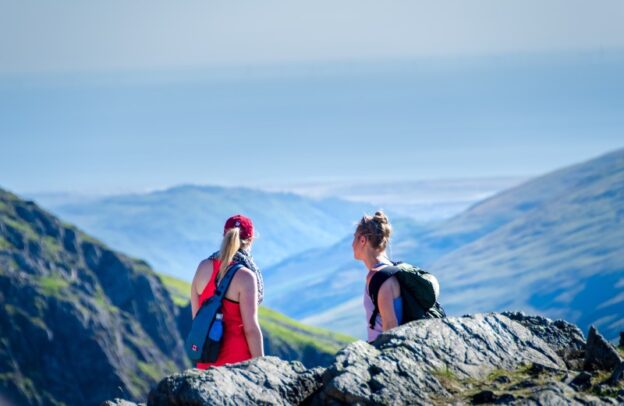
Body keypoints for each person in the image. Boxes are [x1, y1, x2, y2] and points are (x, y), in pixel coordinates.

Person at [190, 214, 264, 368]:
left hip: (206, 363)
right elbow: (250, 329)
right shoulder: (246, 276)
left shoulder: (202, 267)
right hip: (237, 367)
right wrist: (262, 368)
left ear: (224, 236)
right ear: (250, 240)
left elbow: (198, 319)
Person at [352, 211, 403, 342]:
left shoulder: (380, 277)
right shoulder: (388, 269)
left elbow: (390, 325)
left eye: (354, 238)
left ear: (362, 240)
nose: (352, 244)